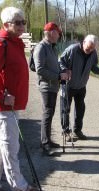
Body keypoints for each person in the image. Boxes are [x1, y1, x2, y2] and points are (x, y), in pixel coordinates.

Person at [0, 7, 47, 191]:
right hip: (3, 107)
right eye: (17, 22)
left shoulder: (14, 43)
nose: (22, 25)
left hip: (10, 107)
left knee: (1, 149)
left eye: (23, 22)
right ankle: (20, 188)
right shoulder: (2, 44)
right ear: (6, 24)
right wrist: (1, 97)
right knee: (11, 149)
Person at [58, 35, 99, 140]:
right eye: (88, 48)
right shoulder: (72, 49)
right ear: (83, 42)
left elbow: (93, 66)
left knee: (80, 109)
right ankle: (66, 131)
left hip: (81, 85)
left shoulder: (93, 53)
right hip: (68, 84)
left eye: (92, 49)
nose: (89, 51)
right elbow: (60, 62)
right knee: (65, 109)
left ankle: (77, 130)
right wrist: (65, 70)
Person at [34, 22, 68, 156]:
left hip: (53, 85)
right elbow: (40, 70)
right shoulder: (41, 47)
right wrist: (58, 76)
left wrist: (62, 72)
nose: (59, 35)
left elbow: (55, 65)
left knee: (50, 113)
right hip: (46, 86)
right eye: (58, 32)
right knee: (47, 113)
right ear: (51, 32)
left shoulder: (52, 48)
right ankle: (45, 143)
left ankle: (47, 140)